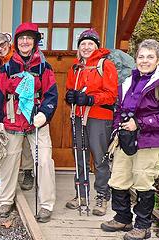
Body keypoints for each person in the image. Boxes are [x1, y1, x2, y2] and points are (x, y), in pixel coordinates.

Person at [100, 39, 159, 240]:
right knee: (119, 179)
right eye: (141, 56)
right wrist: (117, 129)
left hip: (151, 141)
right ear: (135, 58)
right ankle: (123, 218)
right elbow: (119, 109)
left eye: (150, 57)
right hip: (126, 138)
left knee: (142, 181)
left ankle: (143, 226)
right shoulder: (129, 81)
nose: (145, 61)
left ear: (158, 59)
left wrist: (139, 123)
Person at [0, 22, 58, 223]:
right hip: (13, 120)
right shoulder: (7, 68)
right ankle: (5, 200)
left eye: (29, 38)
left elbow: (51, 95)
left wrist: (45, 114)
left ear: (35, 42)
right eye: (21, 39)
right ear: (16, 43)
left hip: (37, 121)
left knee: (44, 162)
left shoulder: (44, 67)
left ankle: (46, 204)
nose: (25, 42)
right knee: (9, 162)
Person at [64, 29, 117, 216]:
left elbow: (111, 96)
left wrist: (90, 99)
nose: (86, 47)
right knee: (79, 155)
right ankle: (81, 194)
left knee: (99, 157)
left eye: (90, 44)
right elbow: (70, 90)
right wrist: (69, 97)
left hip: (99, 117)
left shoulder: (106, 65)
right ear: (79, 47)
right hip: (77, 116)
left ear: (96, 46)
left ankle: (102, 196)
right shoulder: (75, 68)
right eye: (83, 44)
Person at [0, 32, 35, 191]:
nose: (0, 49)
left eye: (2, 45)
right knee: (11, 142)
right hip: (7, 105)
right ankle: (10, 178)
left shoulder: (18, 58)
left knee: (26, 138)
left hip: (22, 103)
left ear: (9, 42)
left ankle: (28, 171)